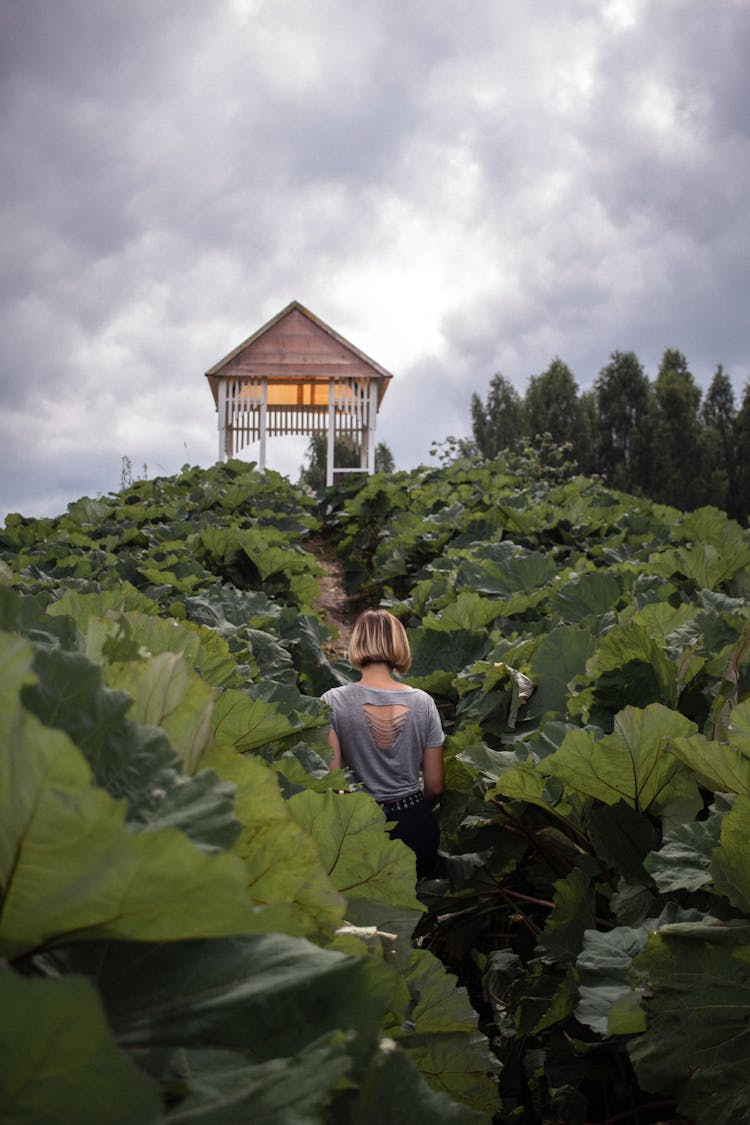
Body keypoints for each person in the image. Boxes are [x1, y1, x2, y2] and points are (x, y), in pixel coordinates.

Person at [322, 609, 444, 878]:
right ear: (399, 643)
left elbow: (333, 784)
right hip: (415, 822)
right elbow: (435, 786)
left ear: (357, 642)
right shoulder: (423, 702)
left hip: (360, 824)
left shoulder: (333, 701)